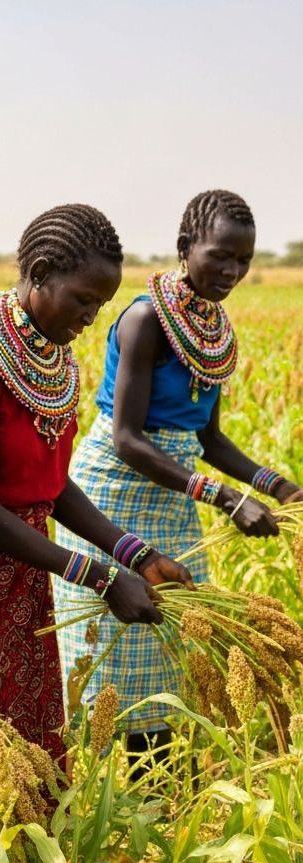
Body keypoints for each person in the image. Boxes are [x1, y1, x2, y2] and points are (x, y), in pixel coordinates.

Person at [0, 204, 192, 836]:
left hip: (25, 575)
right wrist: (103, 580)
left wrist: (135, 554)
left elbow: (52, 488)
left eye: (99, 306)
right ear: (41, 273)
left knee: (22, 742)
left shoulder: (56, 361)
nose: (90, 317)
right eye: (82, 299)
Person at [54, 190, 303, 748]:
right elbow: (126, 438)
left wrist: (276, 485)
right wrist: (227, 499)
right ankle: (107, 774)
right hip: (113, 494)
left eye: (243, 260)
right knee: (112, 641)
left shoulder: (214, 332)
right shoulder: (145, 320)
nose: (231, 271)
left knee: (174, 635)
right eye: (220, 255)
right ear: (187, 247)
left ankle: (164, 778)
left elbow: (207, 438)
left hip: (174, 490)